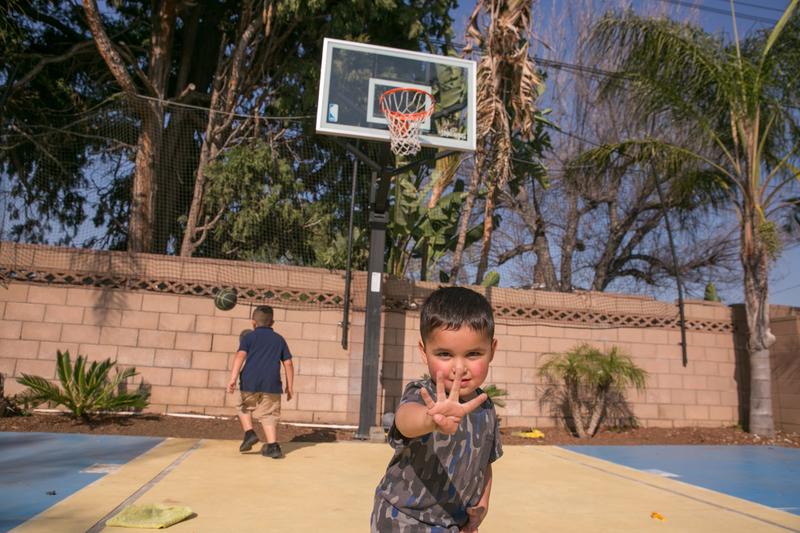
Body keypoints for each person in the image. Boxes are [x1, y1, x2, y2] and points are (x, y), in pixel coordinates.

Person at [371, 286, 502, 532]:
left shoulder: (485, 408)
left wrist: (482, 505)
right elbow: (404, 420)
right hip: (402, 518)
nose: (459, 367)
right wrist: (430, 419)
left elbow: (485, 463)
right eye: (444, 354)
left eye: (473, 354)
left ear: (492, 350)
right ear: (424, 352)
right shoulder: (423, 394)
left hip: (452, 523)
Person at [227, 305, 294, 459]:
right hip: (272, 383)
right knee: (269, 414)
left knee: (244, 406)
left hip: (249, 380)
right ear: (272, 322)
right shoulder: (279, 339)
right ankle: (273, 447)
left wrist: (233, 378)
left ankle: (249, 433)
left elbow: (240, 356)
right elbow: (288, 363)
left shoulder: (248, 338)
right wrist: (290, 386)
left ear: (253, 322)